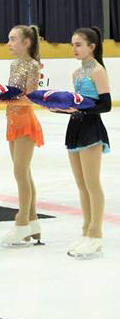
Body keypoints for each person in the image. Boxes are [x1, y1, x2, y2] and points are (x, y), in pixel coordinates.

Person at [0, 25, 44, 246]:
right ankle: (33, 223)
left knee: (20, 173)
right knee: (23, 173)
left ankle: (22, 222)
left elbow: (31, 98)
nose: (9, 44)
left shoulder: (33, 66)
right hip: (12, 122)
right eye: (9, 39)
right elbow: (13, 94)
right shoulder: (14, 64)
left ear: (26, 42)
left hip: (25, 122)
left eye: (13, 39)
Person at [59, 27, 111, 258]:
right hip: (76, 128)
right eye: (72, 45)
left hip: (91, 129)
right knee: (81, 185)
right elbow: (77, 103)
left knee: (92, 183)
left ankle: (96, 233)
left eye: (79, 44)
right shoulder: (76, 74)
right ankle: (86, 231)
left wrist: (82, 112)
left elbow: (106, 104)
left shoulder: (98, 70)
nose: (74, 49)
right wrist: (61, 108)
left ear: (92, 47)